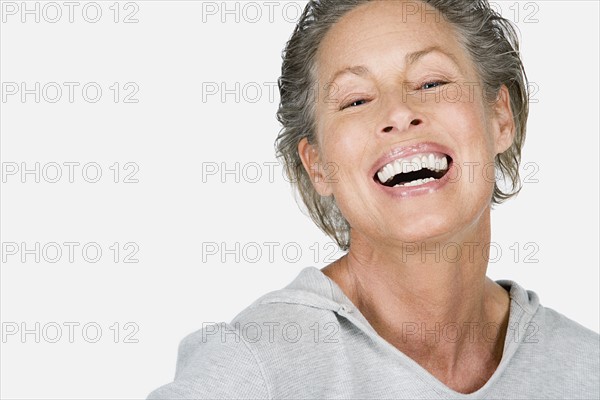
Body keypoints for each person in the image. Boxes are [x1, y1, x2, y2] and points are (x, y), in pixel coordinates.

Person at [148, 0, 600, 398]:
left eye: (431, 82)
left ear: (500, 117)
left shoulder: (587, 370)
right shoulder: (255, 367)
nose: (400, 112)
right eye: (356, 100)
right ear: (317, 165)